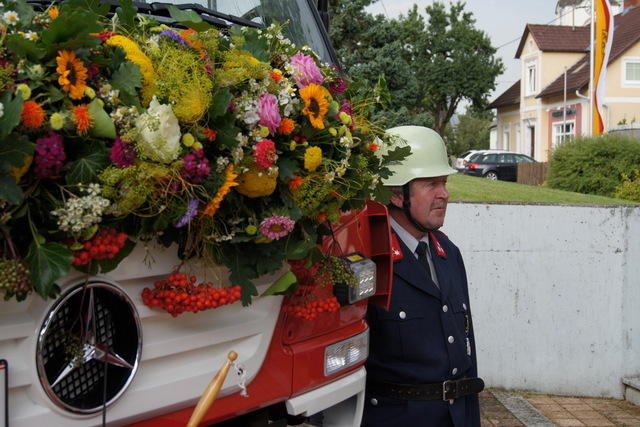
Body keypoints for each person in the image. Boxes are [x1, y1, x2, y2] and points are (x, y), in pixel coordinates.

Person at [362, 126, 484, 427]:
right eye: (431, 184)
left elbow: (467, 351)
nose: (444, 194)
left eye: (443, 182)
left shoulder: (448, 252)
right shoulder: (370, 257)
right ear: (395, 194)